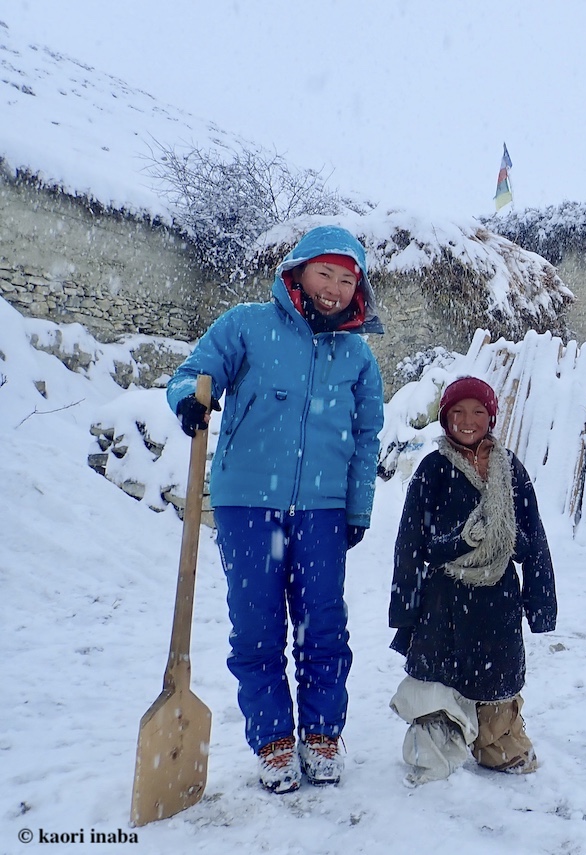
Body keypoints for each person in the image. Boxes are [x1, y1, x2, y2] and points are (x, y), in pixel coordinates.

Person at [166, 224, 385, 793]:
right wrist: (190, 398)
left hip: (323, 509)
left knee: (323, 626)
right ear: (298, 271)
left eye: (346, 279)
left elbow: (367, 438)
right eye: (325, 274)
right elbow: (192, 373)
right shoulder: (247, 326)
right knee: (258, 626)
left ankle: (320, 733)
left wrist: (357, 508)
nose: (334, 288)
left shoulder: (358, 355)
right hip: (247, 504)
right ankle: (272, 739)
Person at [389, 376, 556, 782]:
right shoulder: (432, 469)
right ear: (445, 418)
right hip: (444, 597)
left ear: (491, 417)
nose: (468, 421)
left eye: (478, 412)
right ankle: (435, 750)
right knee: (438, 681)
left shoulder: (510, 468)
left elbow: (532, 536)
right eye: (458, 412)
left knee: (495, 679)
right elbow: (412, 540)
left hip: (498, 598)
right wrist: (406, 609)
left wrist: (541, 602)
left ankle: (495, 742)